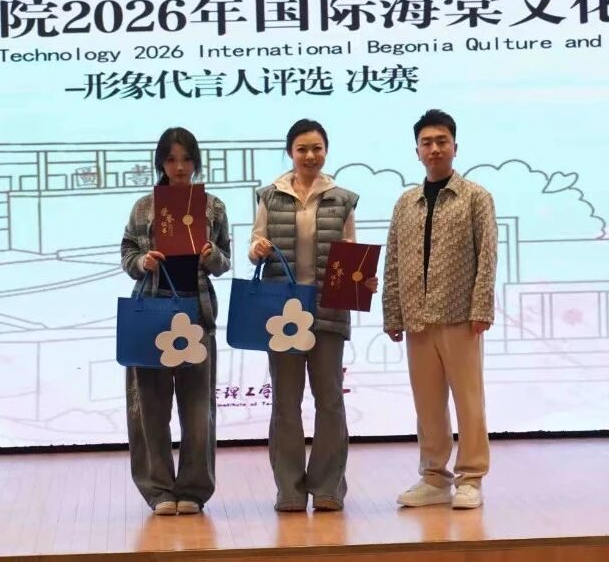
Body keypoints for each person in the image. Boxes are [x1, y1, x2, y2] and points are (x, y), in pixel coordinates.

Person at [249, 118, 374, 512]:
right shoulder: (270, 196)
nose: (310, 155)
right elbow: (255, 244)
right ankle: (289, 488)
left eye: (316, 148)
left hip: (328, 310)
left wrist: (363, 279)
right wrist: (257, 250)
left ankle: (327, 487)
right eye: (302, 148)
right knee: (285, 404)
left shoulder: (342, 199)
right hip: (282, 314)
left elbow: (351, 250)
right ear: (290, 152)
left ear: (326, 151)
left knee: (330, 401)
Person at [382, 109, 498, 510]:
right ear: (416, 151)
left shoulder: (476, 197)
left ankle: (471, 477)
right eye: (426, 143)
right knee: (427, 405)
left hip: (461, 317)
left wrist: (482, 307)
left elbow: (488, 256)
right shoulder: (405, 203)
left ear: (455, 147)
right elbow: (393, 261)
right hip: (416, 318)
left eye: (441, 141)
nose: (434, 149)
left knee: (469, 400)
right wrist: (392, 313)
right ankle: (433, 478)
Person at [120, 127, 231, 516]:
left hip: (196, 314)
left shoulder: (212, 206)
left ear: (196, 162)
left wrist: (210, 254)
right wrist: (143, 261)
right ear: (161, 163)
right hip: (151, 314)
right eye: (171, 159)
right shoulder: (144, 207)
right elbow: (127, 254)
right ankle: (158, 490)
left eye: (186, 159)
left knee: (198, 410)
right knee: (150, 409)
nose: (179, 167)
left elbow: (225, 261)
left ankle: (194, 490)